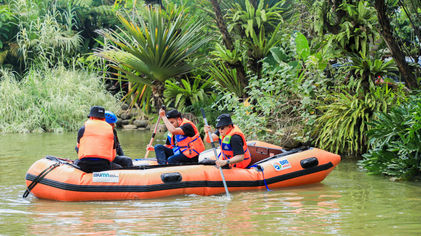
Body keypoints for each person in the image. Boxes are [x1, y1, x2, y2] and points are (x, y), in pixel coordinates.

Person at [74, 106, 120, 173]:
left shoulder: (83, 129)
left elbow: (78, 147)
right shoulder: (111, 130)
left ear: (91, 117)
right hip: (103, 166)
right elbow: (113, 153)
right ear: (104, 118)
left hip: (85, 166)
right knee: (119, 167)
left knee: (76, 161)